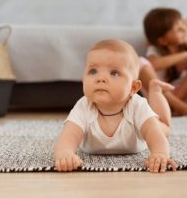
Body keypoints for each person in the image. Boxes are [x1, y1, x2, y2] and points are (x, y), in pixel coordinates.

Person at [53, 39, 179, 173]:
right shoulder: (84, 106)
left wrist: (159, 154)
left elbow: (153, 133)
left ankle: (155, 91)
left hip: (146, 128)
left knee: (163, 128)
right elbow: (68, 136)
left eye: (114, 73)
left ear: (133, 87)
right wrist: (65, 154)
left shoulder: (136, 105)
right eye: (93, 71)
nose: (100, 78)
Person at [138, 7, 187, 116]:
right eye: (178, 29)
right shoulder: (155, 50)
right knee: (139, 62)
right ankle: (178, 107)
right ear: (163, 40)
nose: (184, 29)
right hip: (161, 99)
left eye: (182, 25)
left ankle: (174, 106)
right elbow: (154, 64)